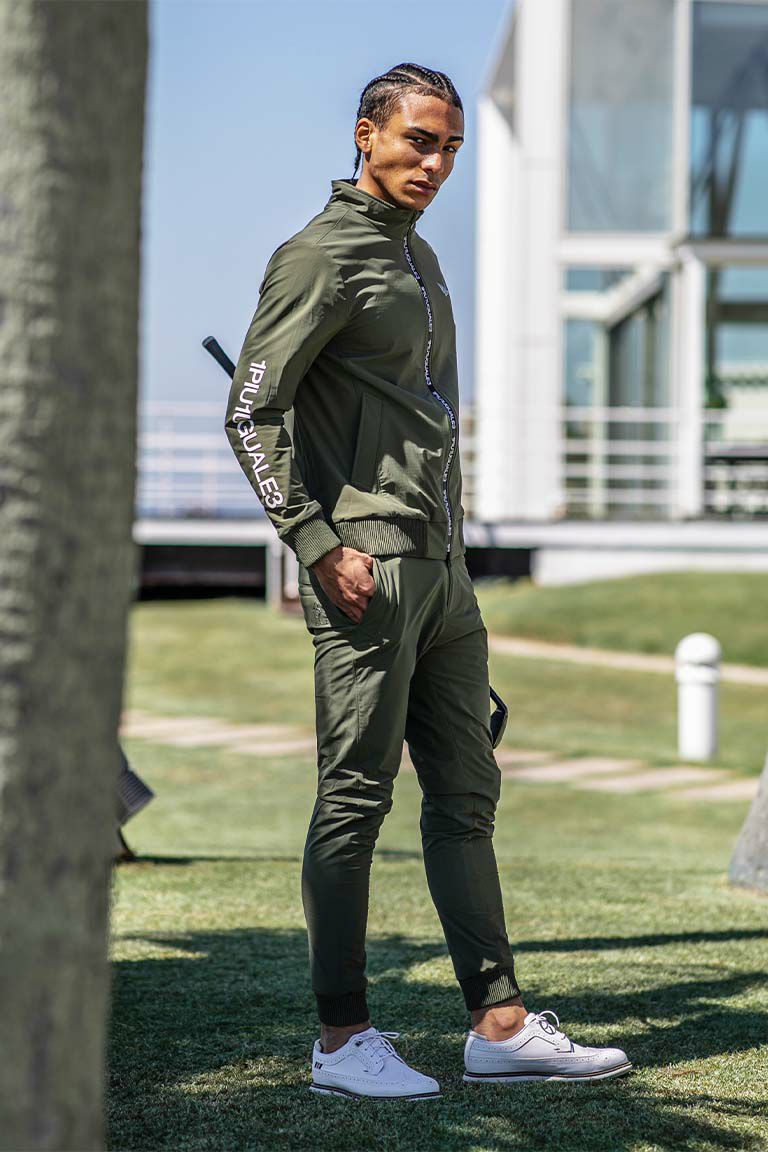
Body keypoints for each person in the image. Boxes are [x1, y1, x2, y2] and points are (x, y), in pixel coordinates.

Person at [224, 62, 632, 1098]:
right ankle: (341, 1041)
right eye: (419, 140)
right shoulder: (319, 257)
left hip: (443, 574)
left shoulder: (419, 253)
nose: (436, 162)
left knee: (466, 796)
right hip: (366, 569)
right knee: (354, 801)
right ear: (367, 134)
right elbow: (252, 412)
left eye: (450, 146)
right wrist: (317, 542)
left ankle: (499, 1026)